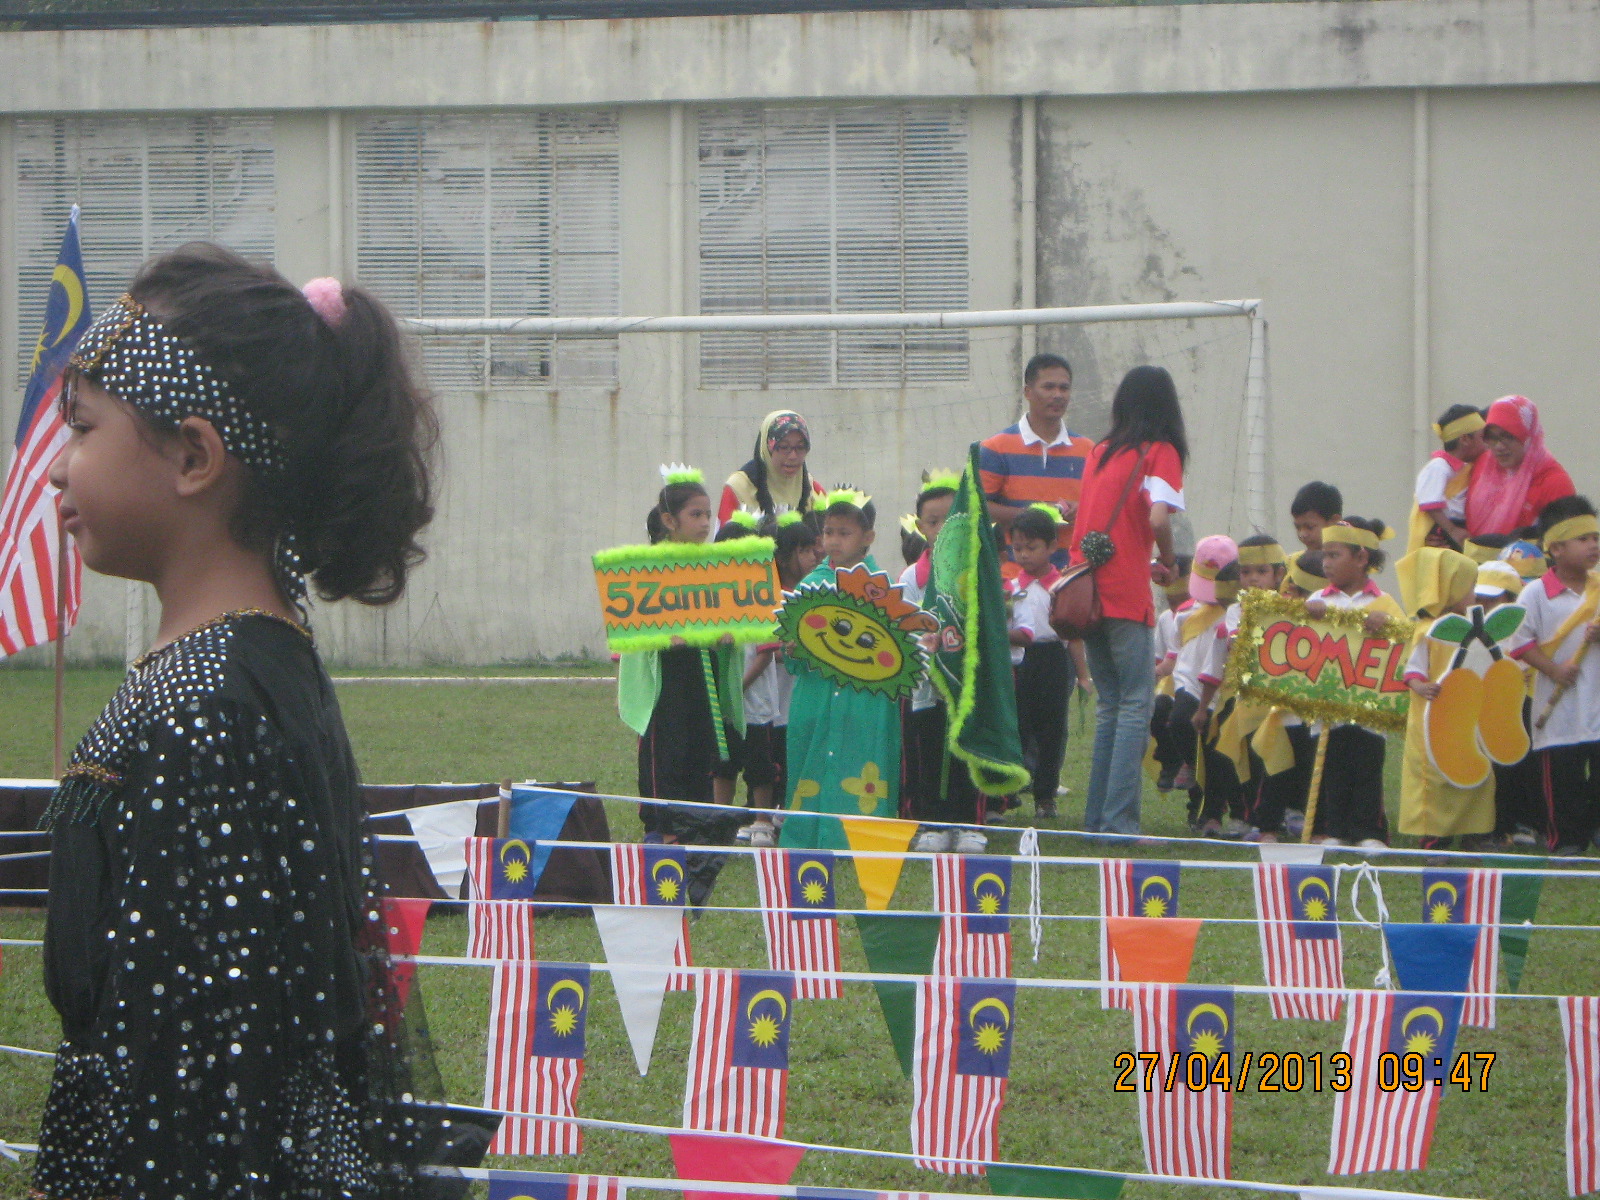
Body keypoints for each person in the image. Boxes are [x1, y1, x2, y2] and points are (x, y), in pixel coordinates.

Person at [36, 245, 443, 1198]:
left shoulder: (205, 712)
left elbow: (202, 1097)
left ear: (192, 457)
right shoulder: (238, 672)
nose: (57, 469)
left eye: (84, 429)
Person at [1069, 364, 1187, 836]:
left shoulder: (1100, 451)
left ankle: (1097, 817)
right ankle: (1119, 822)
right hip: (1124, 594)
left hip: (1085, 589)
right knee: (1136, 703)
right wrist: (1169, 557)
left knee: (1111, 705)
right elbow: (1158, 516)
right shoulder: (1161, 451)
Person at [620, 466, 744, 849]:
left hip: (701, 671)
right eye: (696, 514)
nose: (705, 522)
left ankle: (697, 821)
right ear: (669, 520)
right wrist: (661, 637)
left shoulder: (712, 568)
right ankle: (663, 824)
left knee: (700, 745)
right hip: (665, 678)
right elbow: (633, 622)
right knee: (666, 749)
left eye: (708, 514)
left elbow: (729, 615)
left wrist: (728, 636)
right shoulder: (647, 567)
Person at [782, 488, 906, 849]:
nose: (833, 541)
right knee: (813, 759)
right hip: (817, 697)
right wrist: (794, 649)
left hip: (864, 701)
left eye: (844, 533)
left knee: (863, 760)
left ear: (867, 537)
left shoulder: (882, 588)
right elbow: (793, 655)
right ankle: (809, 835)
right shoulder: (810, 585)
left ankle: (861, 838)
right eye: (828, 532)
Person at [898, 473, 987, 851]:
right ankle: (932, 821)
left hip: (966, 683)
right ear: (921, 527)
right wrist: (925, 642)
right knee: (929, 749)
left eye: (950, 520)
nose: (941, 529)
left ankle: (969, 823)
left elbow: (990, 625)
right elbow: (904, 626)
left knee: (967, 748)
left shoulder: (978, 572)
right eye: (933, 522)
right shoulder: (911, 577)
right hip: (926, 686)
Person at [1304, 518, 1406, 848]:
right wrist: (1306, 614)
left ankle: (1370, 831)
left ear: (1361, 558)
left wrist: (1388, 624)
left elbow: (1405, 641)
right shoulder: (1319, 599)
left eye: (1334, 555)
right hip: (1328, 707)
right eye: (1324, 556)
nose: (1326, 563)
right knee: (1332, 770)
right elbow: (1298, 639)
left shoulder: (1385, 602)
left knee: (1366, 768)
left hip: (1368, 708)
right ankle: (1334, 830)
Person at [1509, 495, 1600, 855]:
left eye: (1596, 537)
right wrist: (1555, 670)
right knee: (1563, 778)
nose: (1594, 544)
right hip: (1557, 706)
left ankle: (1595, 826)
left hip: (1596, 699)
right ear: (1557, 548)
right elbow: (1519, 643)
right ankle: (1567, 839)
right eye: (1584, 539)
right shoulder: (1535, 595)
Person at [732, 512, 822, 848]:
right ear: (784, 555)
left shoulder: (808, 596)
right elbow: (771, 649)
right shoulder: (769, 598)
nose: (814, 556)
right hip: (777, 701)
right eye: (806, 550)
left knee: (788, 758)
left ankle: (780, 813)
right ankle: (761, 814)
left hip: (796, 699)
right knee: (769, 757)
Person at [1397, 546, 1496, 846]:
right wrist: (1421, 686)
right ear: (1450, 588)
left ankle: (1474, 832)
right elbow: (1411, 670)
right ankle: (1434, 837)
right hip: (1433, 718)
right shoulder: (1426, 631)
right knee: (1436, 776)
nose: (1475, 594)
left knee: (1474, 767)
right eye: (1470, 587)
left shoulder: (1473, 629)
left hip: (1468, 715)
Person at [979, 352, 1095, 564]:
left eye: (1064, 388)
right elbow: (978, 507)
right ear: (1028, 392)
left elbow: (1101, 506)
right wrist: (1035, 517)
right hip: (1014, 577)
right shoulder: (995, 448)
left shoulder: (1089, 451)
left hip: (1071, 574)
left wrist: (1083, 508)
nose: (1058, 395)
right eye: (1048, 387)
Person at [1007, 505, 1074, 820]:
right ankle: (1010, 788)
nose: (1023, 555)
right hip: (1018, 661)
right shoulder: (1011, 588)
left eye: (1031, 548)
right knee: (1018, 725)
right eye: (1017, 548)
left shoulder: (1060, 587)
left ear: (1052, 547)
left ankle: (1045, 795)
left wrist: (1083, 674)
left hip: (1052, 658)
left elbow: (1073, 636)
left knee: (1051, 729)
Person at [1179, 536, 1243, 835]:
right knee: (1209, 752)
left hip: (1243, 698)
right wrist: (1203, 706)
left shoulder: (1243, 614)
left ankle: (1244, 815)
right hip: (1204, 693)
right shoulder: (1190, 615)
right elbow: (1208, 668)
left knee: (1235, 757)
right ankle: (1207, 812)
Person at [1466, 395, 1576, 537]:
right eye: (1492, 438)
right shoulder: (1483, 468)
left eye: (1508, 436)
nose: (1499, 446)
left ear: (1528, 437)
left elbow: (1566, 541)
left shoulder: (1554, 482)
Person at [719, 409, 827, 522]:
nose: (793, 456)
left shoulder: (813, 490)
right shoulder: (738, 488)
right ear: (767, 448)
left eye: (800, 447)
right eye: (784, 447)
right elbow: (723, 537)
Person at [1407, 404, 1487, 553]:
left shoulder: (1466, 468)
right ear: (1465, 439)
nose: (1487, 444)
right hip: (1445, 529)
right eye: (1482, 437)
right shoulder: (1438, 467)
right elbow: (1430, 503)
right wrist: (1452, 530)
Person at [1149, 556, 1192, 793]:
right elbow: (1160, 658)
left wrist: (1161, 668)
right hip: (1172, 685)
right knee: (1158, 710)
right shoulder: (1166, 619)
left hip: (1196, 682)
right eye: (1170, 600)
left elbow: (1170, 661)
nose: (1177, 608)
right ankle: (1170, 761)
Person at [1290, 481, 1343, 551]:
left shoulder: (1352, 560)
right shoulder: (1293, 561)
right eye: (1298, 528)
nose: (1302, 534)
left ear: (1335, 521)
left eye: (1310, 527)